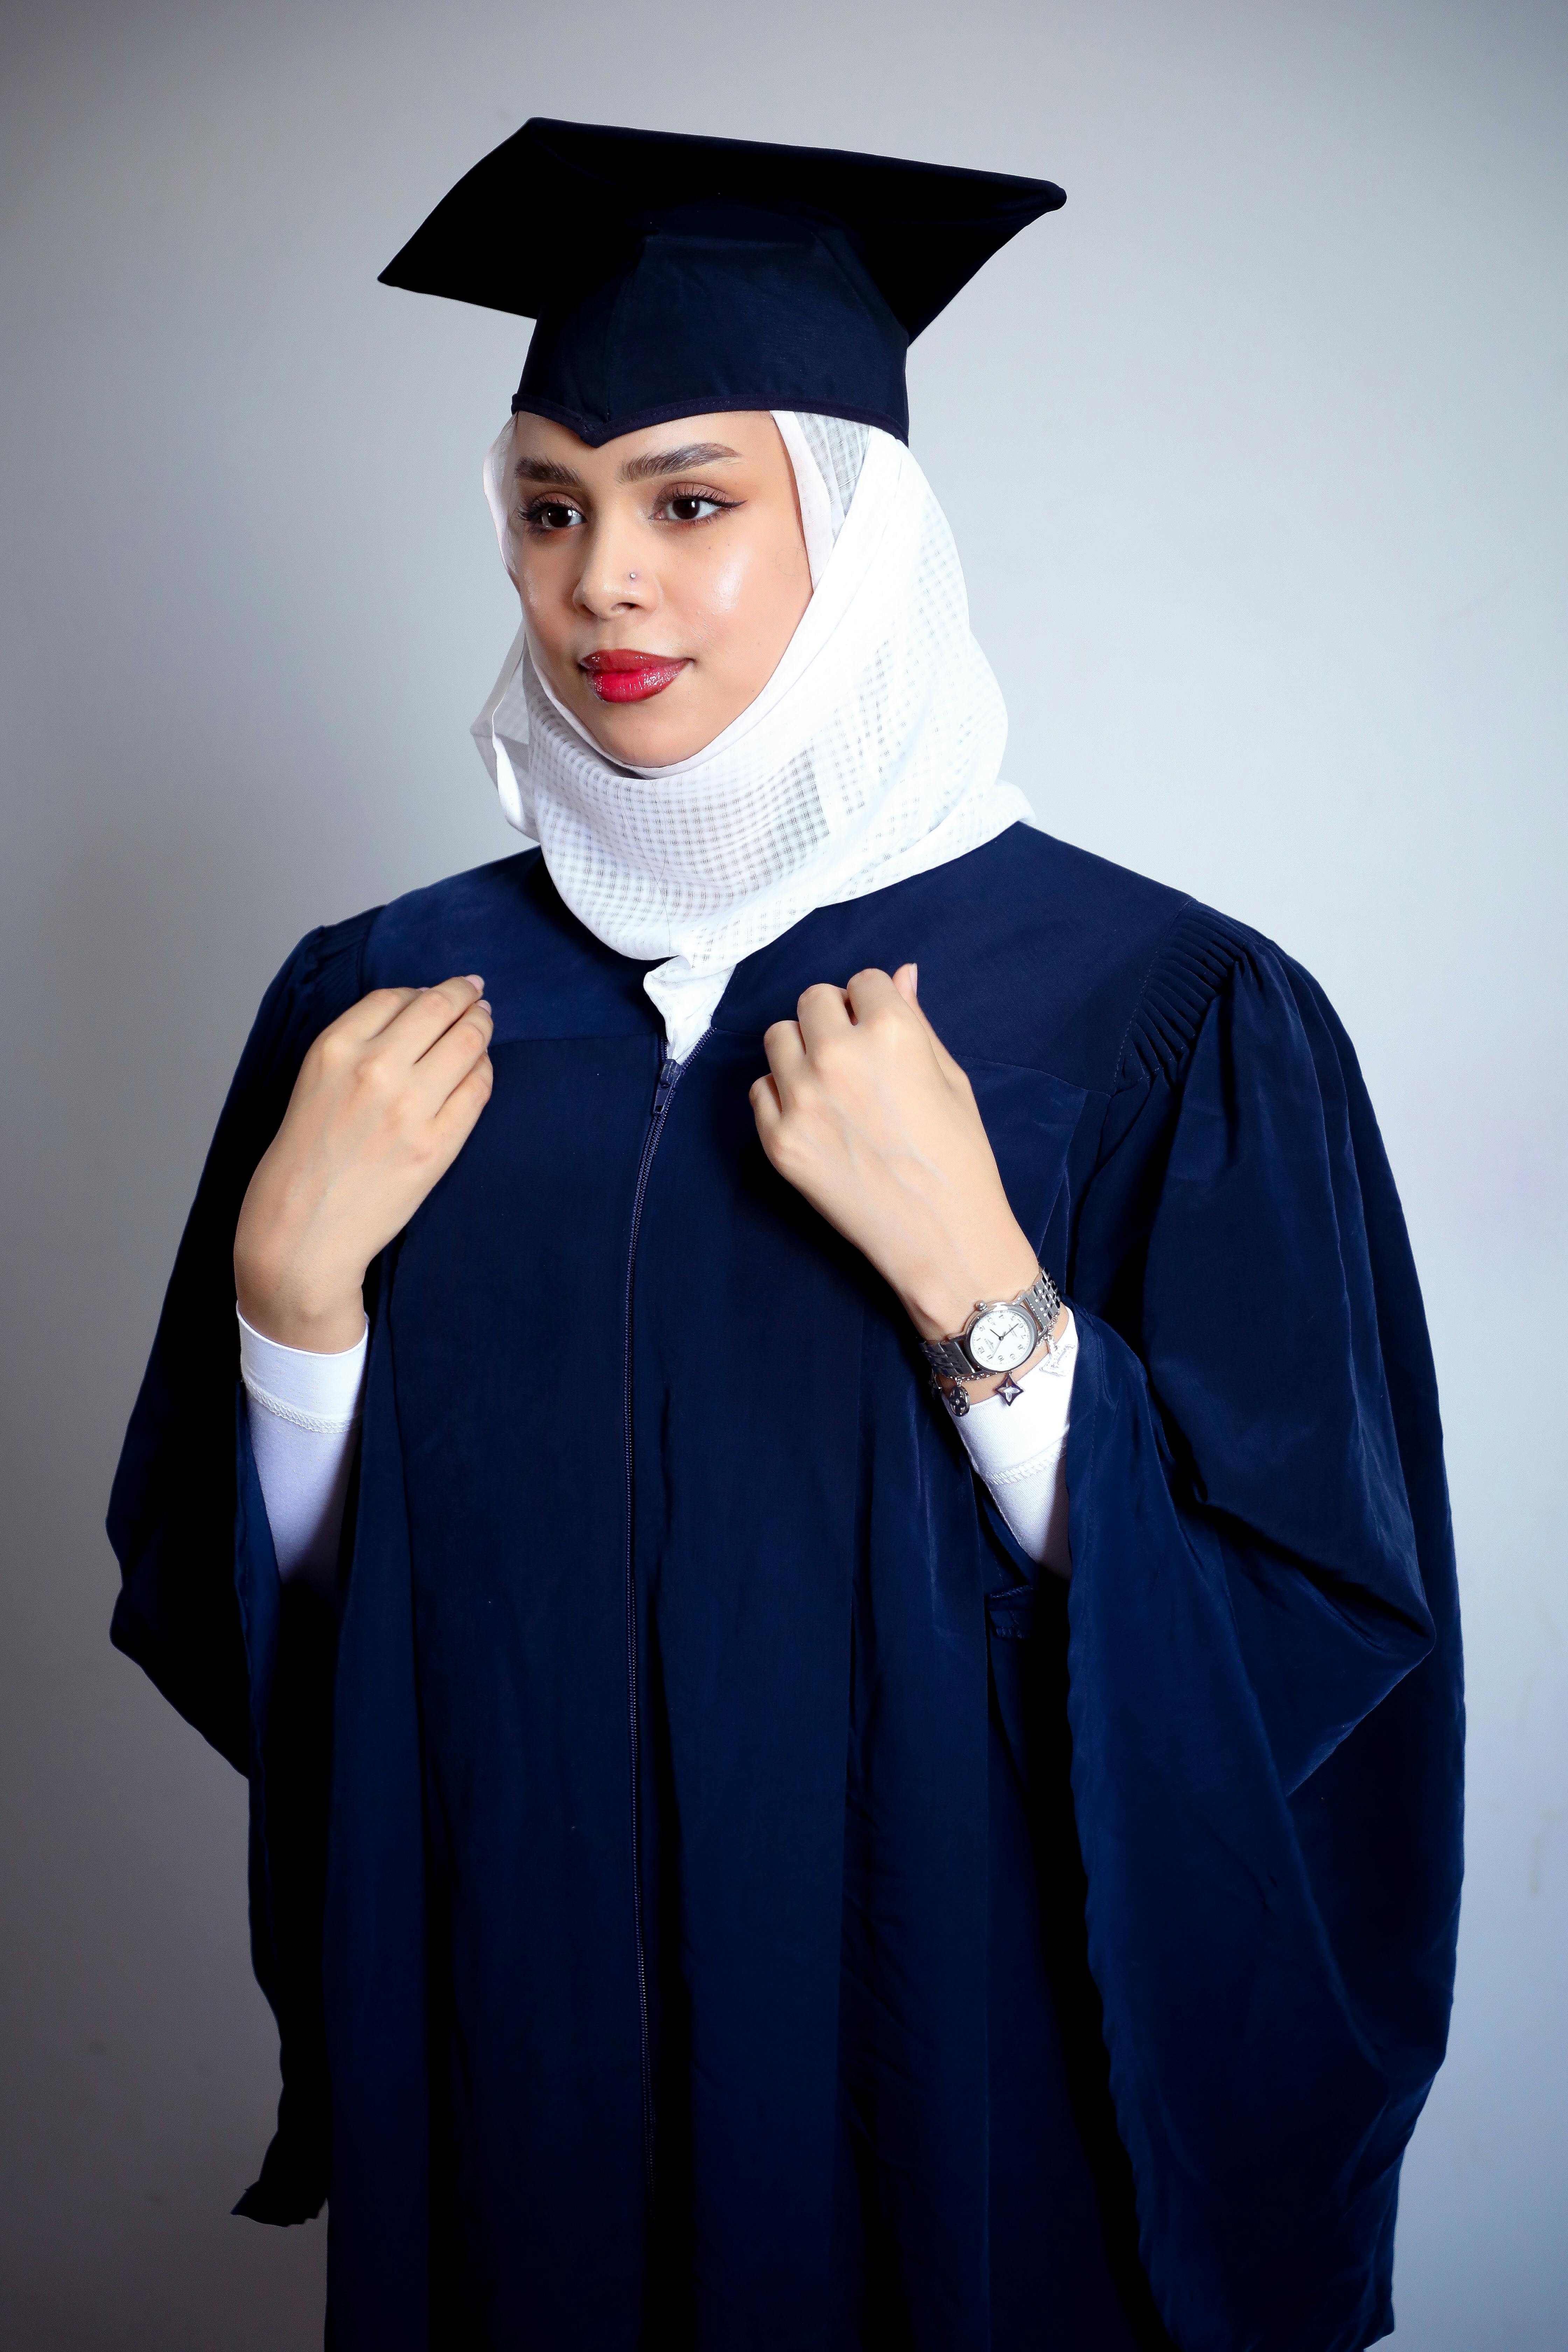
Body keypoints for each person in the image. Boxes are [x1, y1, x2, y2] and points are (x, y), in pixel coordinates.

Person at [107, 120, 1463, 2352]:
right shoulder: (380, 1005)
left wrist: (989, 1300)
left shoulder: (1157, 1013)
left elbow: (1318, 1657)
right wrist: (291, 1318)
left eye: (692, 501)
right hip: (514, 2086)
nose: (604, 583)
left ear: (859, 528)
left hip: (953, 2087)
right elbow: (284, 1639)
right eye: (550, 506)